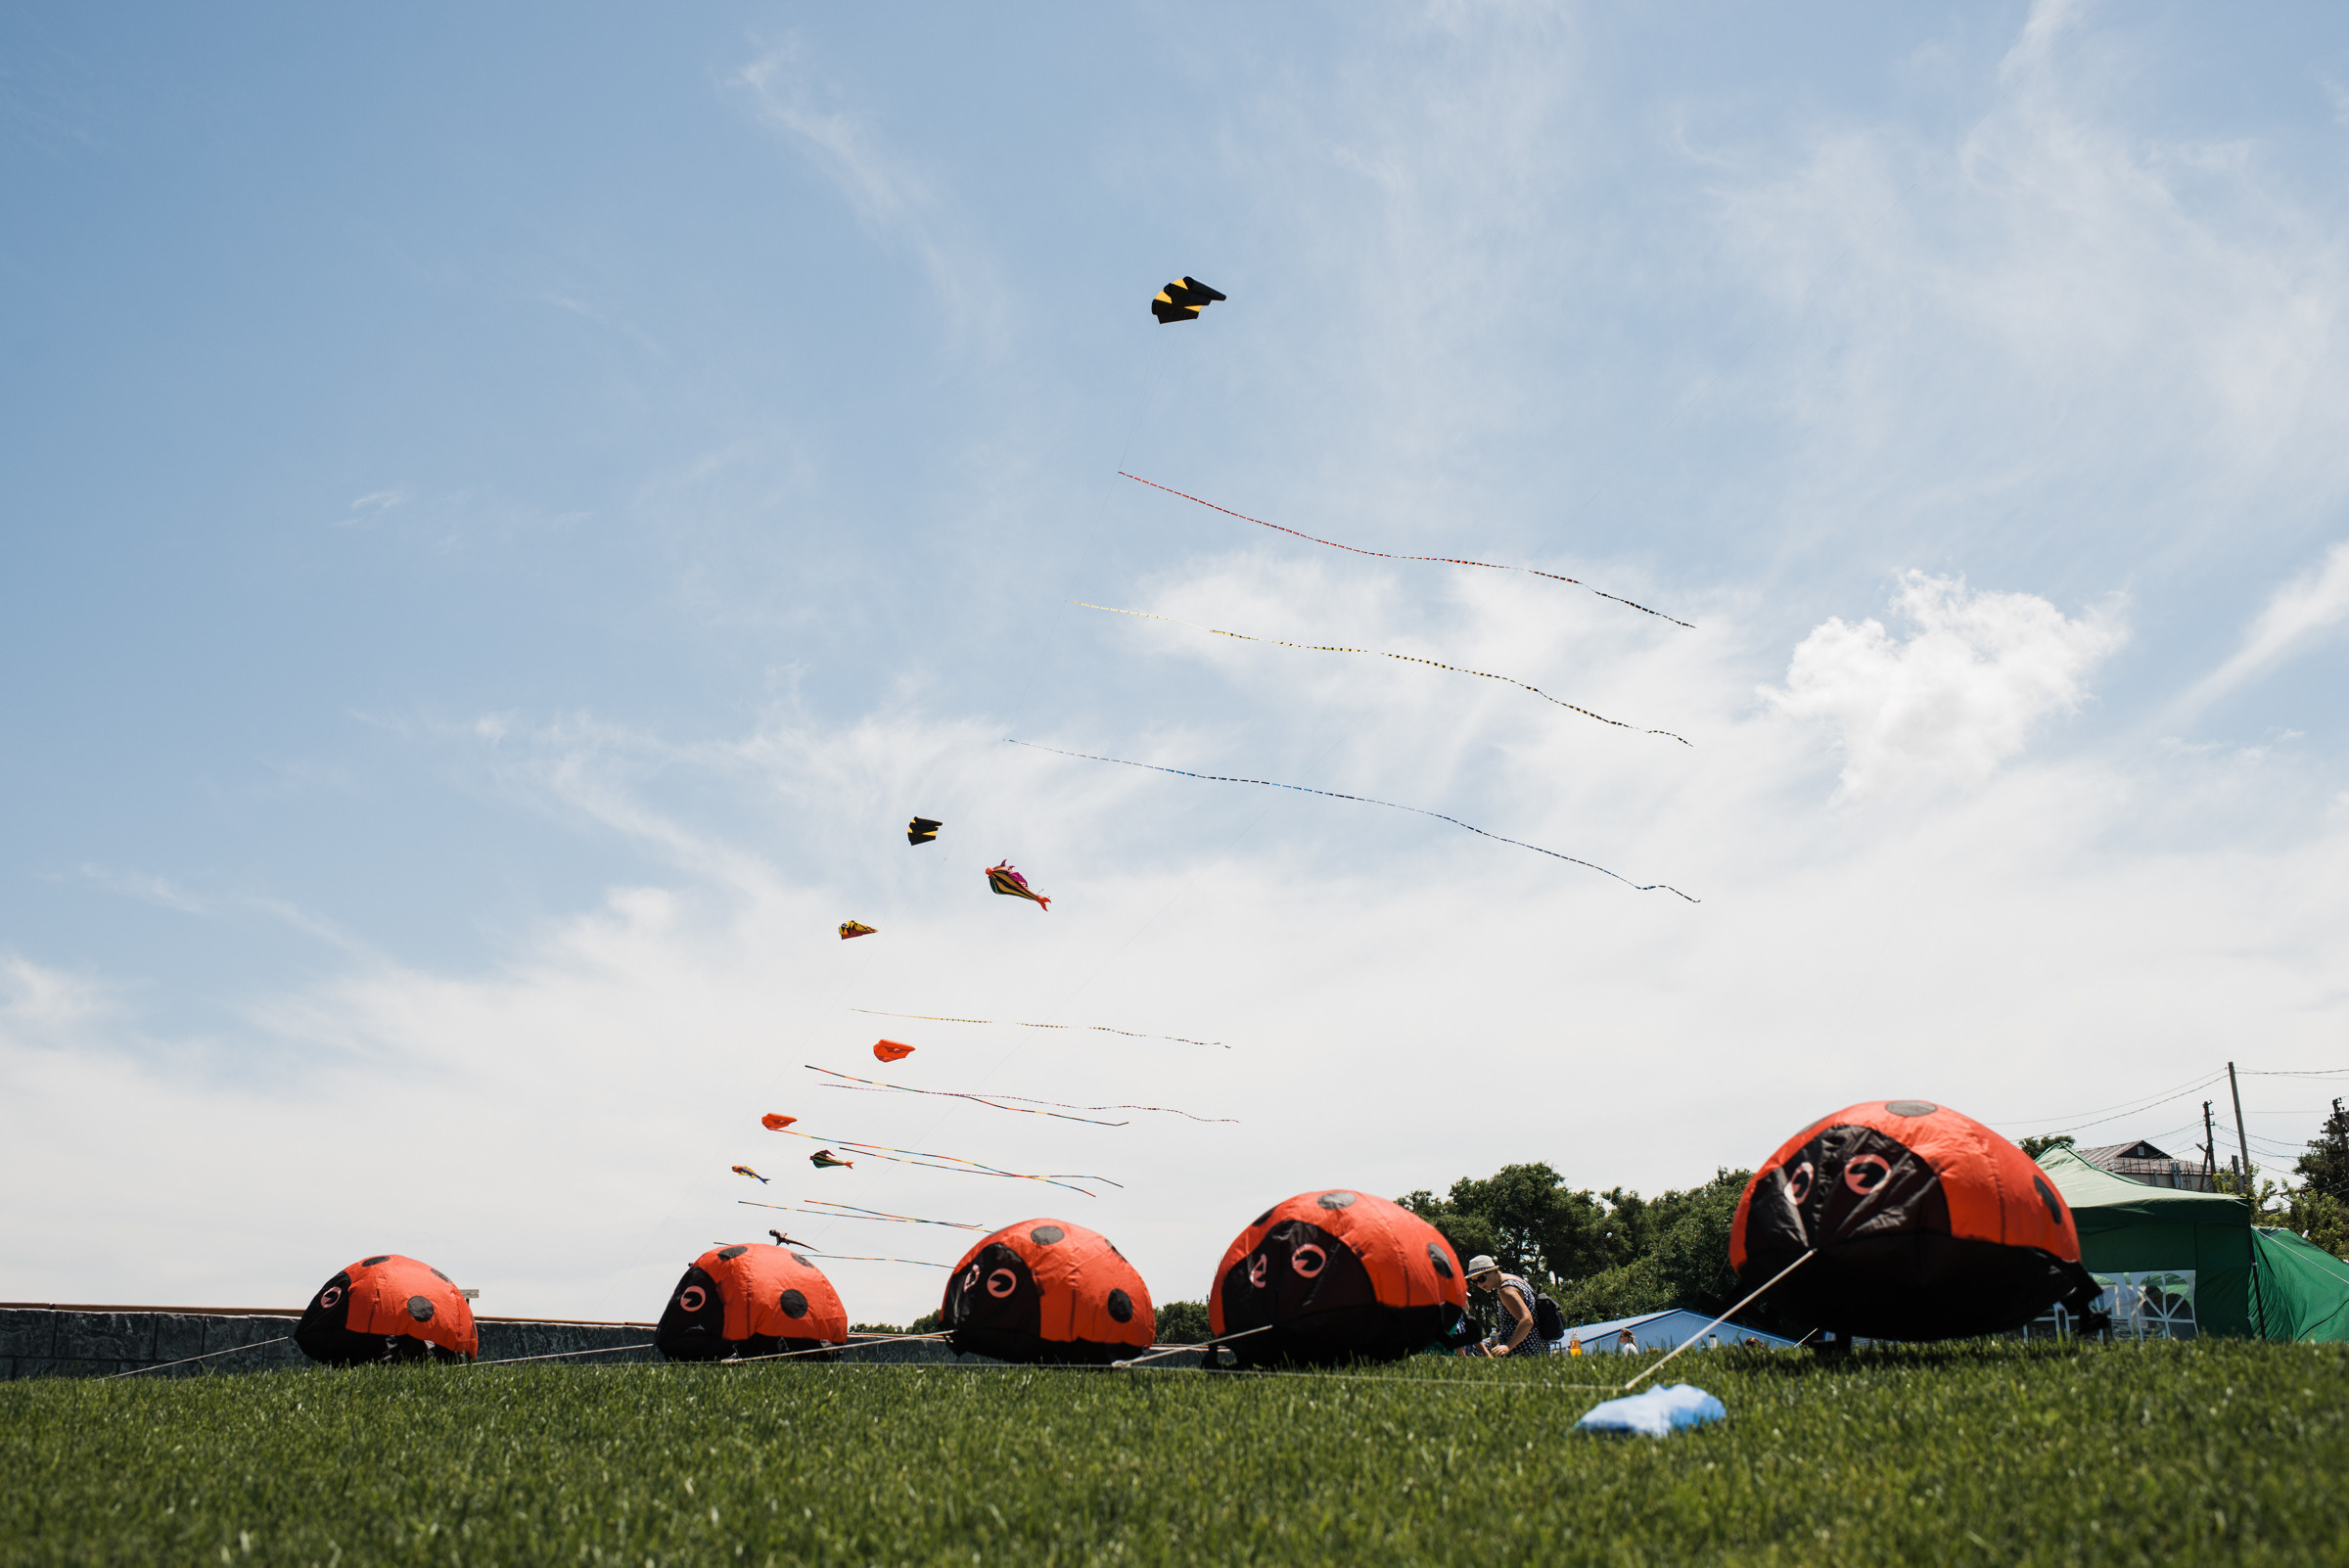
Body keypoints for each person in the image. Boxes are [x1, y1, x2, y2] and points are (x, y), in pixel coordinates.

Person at [1456, 1255, 1547, 1358]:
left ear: (1494, 1271)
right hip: (1539, 1343)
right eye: (1474, 1282)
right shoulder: (1515, 1279)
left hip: (1525, 1346)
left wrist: (1507, 1347)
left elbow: (1527, 1321)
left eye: (1482, 1278)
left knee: (1471, 1348)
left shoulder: (1506, 1290)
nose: (1480, 1285)